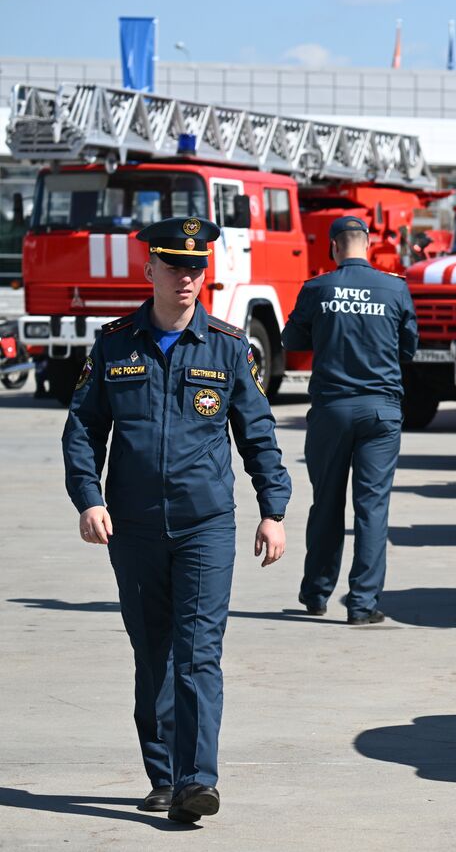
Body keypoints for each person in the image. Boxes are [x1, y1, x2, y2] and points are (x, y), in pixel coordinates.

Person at [61, 216, 292, 823]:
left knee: (197, 653)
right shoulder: (114, 344)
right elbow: (83, 431)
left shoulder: (227, 346)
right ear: (150, 271)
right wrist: (89, 499)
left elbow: (258, 434)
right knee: (153, 653)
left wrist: (273, 509)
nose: (186, 276)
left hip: (205, 525)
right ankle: (163, 775)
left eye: (195, 267)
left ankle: (197, 779)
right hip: (133, 527)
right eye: (174, 265)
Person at [283, 215, 417, 625]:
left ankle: (316, 592)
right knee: (372, 508)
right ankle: (361, 604)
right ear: (368, 244)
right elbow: (408, 347)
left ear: (334, 248)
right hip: (381, 410)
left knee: (326, 502)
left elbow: (291, 341)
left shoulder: (317, 288)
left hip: (332, 410)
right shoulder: (395, 288)